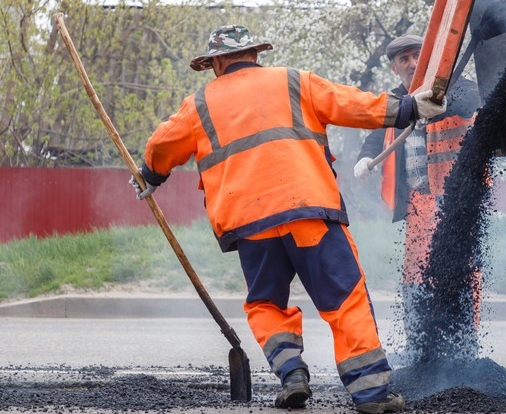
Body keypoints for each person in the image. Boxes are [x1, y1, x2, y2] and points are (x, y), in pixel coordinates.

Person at [130, 25, 445, 413]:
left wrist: (149, 175)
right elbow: (351, 104)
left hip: (249, 224)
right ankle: (371, 394)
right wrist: (410, 108)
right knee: (344, 298)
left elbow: (162, 146)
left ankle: (291, 374)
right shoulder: (293, 81)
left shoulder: (198, 103)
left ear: (214, 64)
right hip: (307, 209)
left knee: (265, 302)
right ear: (255, 55)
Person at [354, 35, 481, 355]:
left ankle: (464, 344)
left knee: (463, 270)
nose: (411, 64)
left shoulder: (455, 86)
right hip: (418, 201)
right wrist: (364, 158)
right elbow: (375, 129)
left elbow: (471, 102)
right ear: (394, 67)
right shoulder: (395, 102)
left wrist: (435, 102)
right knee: (416, 272)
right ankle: (420, 345)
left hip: (456, 200)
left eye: (416, 56)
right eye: (404, 59)